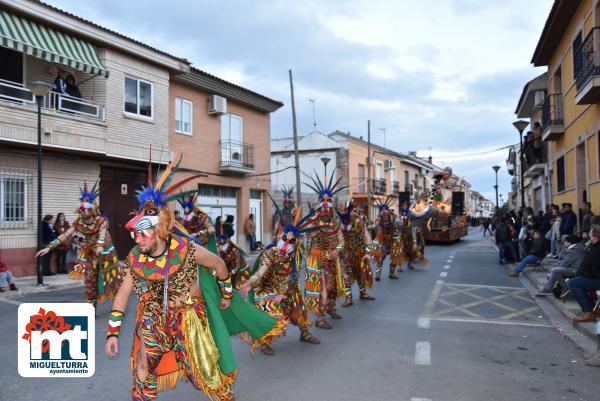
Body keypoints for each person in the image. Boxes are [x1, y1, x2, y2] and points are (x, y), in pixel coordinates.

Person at [105, 158, 280, 401]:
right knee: (144, 364)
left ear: (160, 230)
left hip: (189, 319)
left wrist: (227, 295)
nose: (137, 239)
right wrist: (112, 333)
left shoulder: (186, 249)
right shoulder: (136, 257)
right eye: (134, 233)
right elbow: (123, 294)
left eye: (143, 233)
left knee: (203, 375)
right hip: (155, 317)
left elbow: (219, 265)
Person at [240, 203, 319, 355]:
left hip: (287, 287)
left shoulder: (295, 256)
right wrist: (250, 282)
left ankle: (305, 334)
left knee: (299, 309)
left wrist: (283, 293)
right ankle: (265, 342)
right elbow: (261, 271)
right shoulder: (270, 252)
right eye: (284, 239)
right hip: (268, 287)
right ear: (279, 237)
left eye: (291, 242)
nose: (286, 245)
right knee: (270, 313)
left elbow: (291, 276)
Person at [35, 182, 121, 307]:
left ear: (92, 210)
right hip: (90, 253)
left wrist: (100, 245)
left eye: (85, 209)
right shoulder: (78, 222)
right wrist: (49, 247)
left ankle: (118, 303)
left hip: (106, 252)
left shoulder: (101, 220)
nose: (82, 212)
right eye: (81, 209)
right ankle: (92, 306)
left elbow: (102, 233)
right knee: (90, 280)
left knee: (110, 279)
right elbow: (65, 235)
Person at [303, 171, 346, 329]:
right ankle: (319, 318)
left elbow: (341, 239)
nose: (326, 205)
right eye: (323, 201)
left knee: (333, 286)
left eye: (329, 201)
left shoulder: (335, 223)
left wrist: (338, 250)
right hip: (317, 259)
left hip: (333, 260)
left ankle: (331, 309)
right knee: (322, 288)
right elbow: (306, 232)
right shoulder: (313, 222)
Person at [339, 201, 375, 307]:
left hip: (359, 253)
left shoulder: (360, 223)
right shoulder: (339, 225)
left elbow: (368, 238)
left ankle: (362, 293)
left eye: (350, 212)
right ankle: (348, 298)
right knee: (346, 275)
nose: (349, 214)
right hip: (346, 255)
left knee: (361, 274)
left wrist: (368, 253)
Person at [569, 227, 600, 323]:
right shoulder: (594, 246)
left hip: (597, 277)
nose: (588, 235)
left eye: (590, 233)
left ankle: (588, 312)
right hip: (593, 276)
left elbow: (596, 268)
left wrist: (585, 274)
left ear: (594, 236)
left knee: (574, 283)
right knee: (576, 281)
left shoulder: (598, 248)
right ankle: (593, 310)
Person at [371, 197, 403, 279]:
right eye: (382, 212)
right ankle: (378, 275)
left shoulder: (393, 216)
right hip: (384, 241)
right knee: (380, 258)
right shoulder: (380, 217)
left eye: (385, 211)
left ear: (388, 211)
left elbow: (398, 221)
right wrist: (375, 224)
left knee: (394, 257)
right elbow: (377, 222)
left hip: (393, 240)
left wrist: (399, 222)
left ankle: (391, 273)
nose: (384, 214)